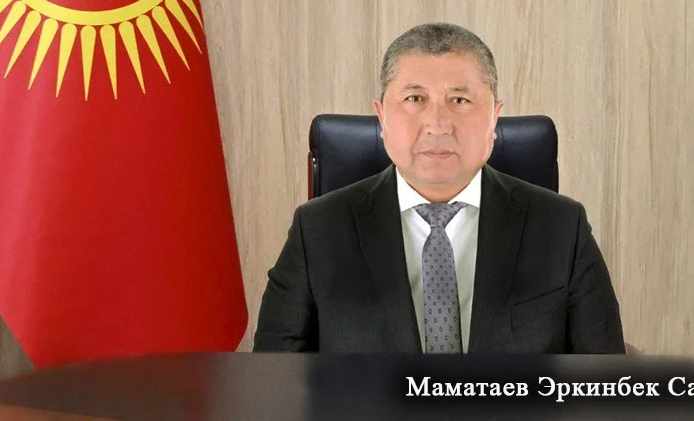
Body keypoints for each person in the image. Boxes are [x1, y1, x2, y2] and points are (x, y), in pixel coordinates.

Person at [254, 23, 625, 353]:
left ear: (494, 117)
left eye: (459, 100)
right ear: (382, 117)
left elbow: (605, 385)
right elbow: (273, 385)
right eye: (415, 99)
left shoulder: (563, 227)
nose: (437, 123)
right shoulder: (316, 231)